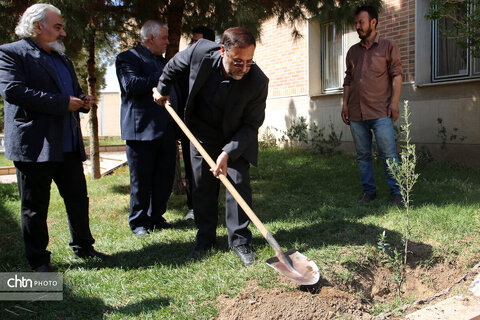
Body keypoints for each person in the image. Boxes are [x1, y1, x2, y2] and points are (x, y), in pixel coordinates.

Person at [0, 3, 109, 272]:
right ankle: (38, 261)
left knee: (77, 197)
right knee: (35, 206)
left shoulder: (63, 59)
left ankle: (83, 247)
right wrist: (63, 103)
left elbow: (73, 92)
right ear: (38, 26)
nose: (63, 33)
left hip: (67, 143)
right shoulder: (10, 53)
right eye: (58, 26)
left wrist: (83, 100)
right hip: (34, 144)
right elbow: (13, 92)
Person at [153, 27, 269, 266]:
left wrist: (228, 152)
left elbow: (252, 124)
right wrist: (162, 90)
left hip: (235, 137)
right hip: (201, 132)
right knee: (202, 187)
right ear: (223, 50)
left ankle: (239, 241)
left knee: (238, 183)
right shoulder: (201, 52)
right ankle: (205, 239)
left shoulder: (257, 81)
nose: (244, 68)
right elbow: (174, 66)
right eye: (238, 61)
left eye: (249, 61)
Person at [116, 21, 176, 238]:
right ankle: (139, 222)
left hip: (166, 128)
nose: (167, 42)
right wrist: (163, 78)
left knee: (164, 177)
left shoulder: (163, 61)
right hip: (141, 130)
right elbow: (130, 84)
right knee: (141, 180)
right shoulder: (128, 58)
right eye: (164, 37)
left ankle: (156, 217)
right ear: (150, 38)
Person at [341, 5, 403, 205]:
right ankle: (369, 192)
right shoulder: (352, 52)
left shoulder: (388, 46)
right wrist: (344, 105)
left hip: (381, 112)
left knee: (389, 154)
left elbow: (397, 76)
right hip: (357, 113)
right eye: (356, 23)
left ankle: (396, 193)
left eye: (361, 22)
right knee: (362, 156)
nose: (357, 26)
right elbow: (348, 80)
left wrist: (394, 103)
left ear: (373, 22)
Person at [173, 26, 215, 222]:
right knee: (192, 169)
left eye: (196, 41)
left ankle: (211, 207)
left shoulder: (216, 67)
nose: (191, 46)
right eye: (191, 41)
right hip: (190, 126)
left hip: (213, 127)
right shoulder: (185, 69)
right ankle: (193, 206)